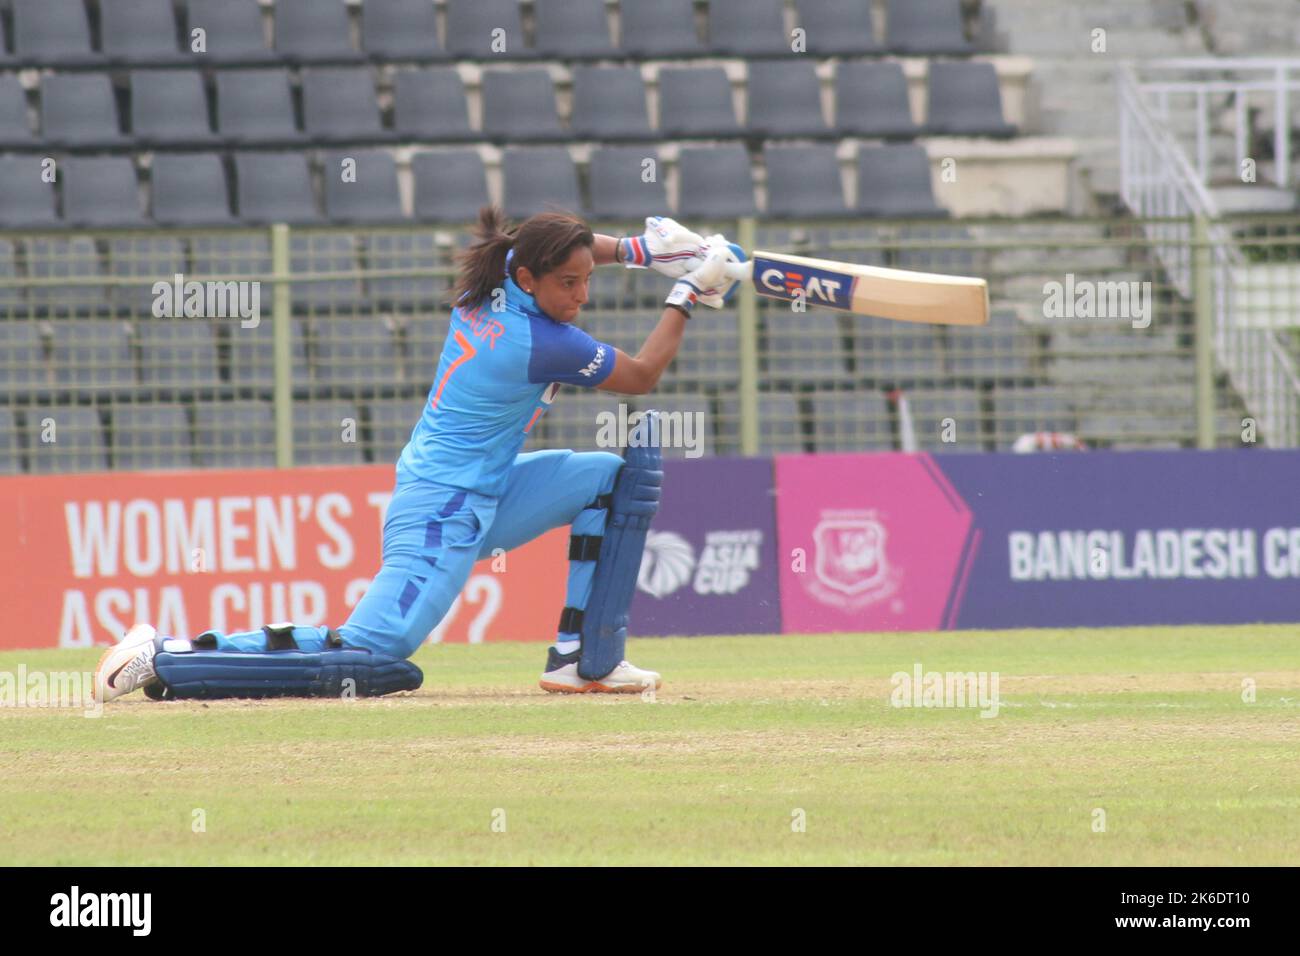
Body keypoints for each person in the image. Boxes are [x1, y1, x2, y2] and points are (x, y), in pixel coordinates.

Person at [93, 208, 739, 703]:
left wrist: (642, 250)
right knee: (371, 654)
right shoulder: (537, 342)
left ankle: (581, 659)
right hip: (442, 509)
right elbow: (643, 374)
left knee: (609, 480)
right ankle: (164, 654)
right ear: (528, 279)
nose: (582, 295)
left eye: (587, 280)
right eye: (569, 284)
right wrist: (689, 292)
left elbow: (565, 244)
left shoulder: (497, 278)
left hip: (480, 490)